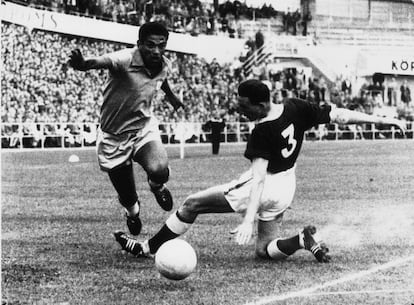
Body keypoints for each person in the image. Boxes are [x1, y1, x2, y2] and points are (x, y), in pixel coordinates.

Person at [114, 79, 406, 263]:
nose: (241, 111)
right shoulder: (295, 107)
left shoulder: (262, 131)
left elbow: (258, 180)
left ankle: (147, 248)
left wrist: (247, 220)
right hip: (287, 187)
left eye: (244, 107)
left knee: (191, 204)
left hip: (264, 187)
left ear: (262, 104)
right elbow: (339, 115)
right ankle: (300, 241)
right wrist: (380, 120)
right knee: (264, 250)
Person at [68, 22, 184, 236]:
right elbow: (103, 61)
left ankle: (156, 186)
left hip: (142, 129)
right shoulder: (125, 59)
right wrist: (85, 64)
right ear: (139, 44)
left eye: (161, 45)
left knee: (160, 170)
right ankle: (132, 213)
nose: (156, 51)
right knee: (128, 196)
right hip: (113, 136)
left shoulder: (163, 63)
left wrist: (171, 96)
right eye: (150, 45)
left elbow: (162, 78)